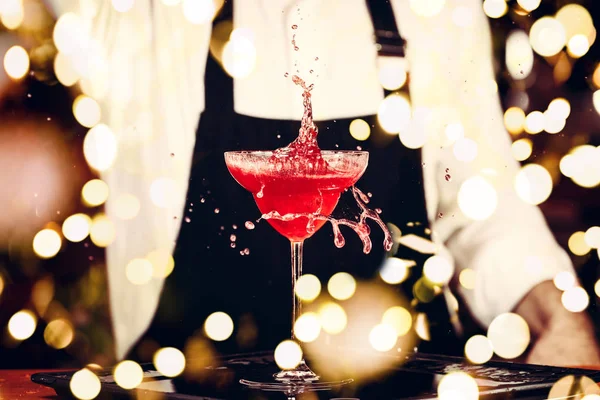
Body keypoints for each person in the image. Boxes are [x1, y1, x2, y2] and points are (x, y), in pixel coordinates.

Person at [45, 0, 600, 366]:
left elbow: (484, 203)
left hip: (389, 376)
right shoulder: (146, 12)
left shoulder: (432, 10)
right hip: (184, 374)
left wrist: (560, 319)